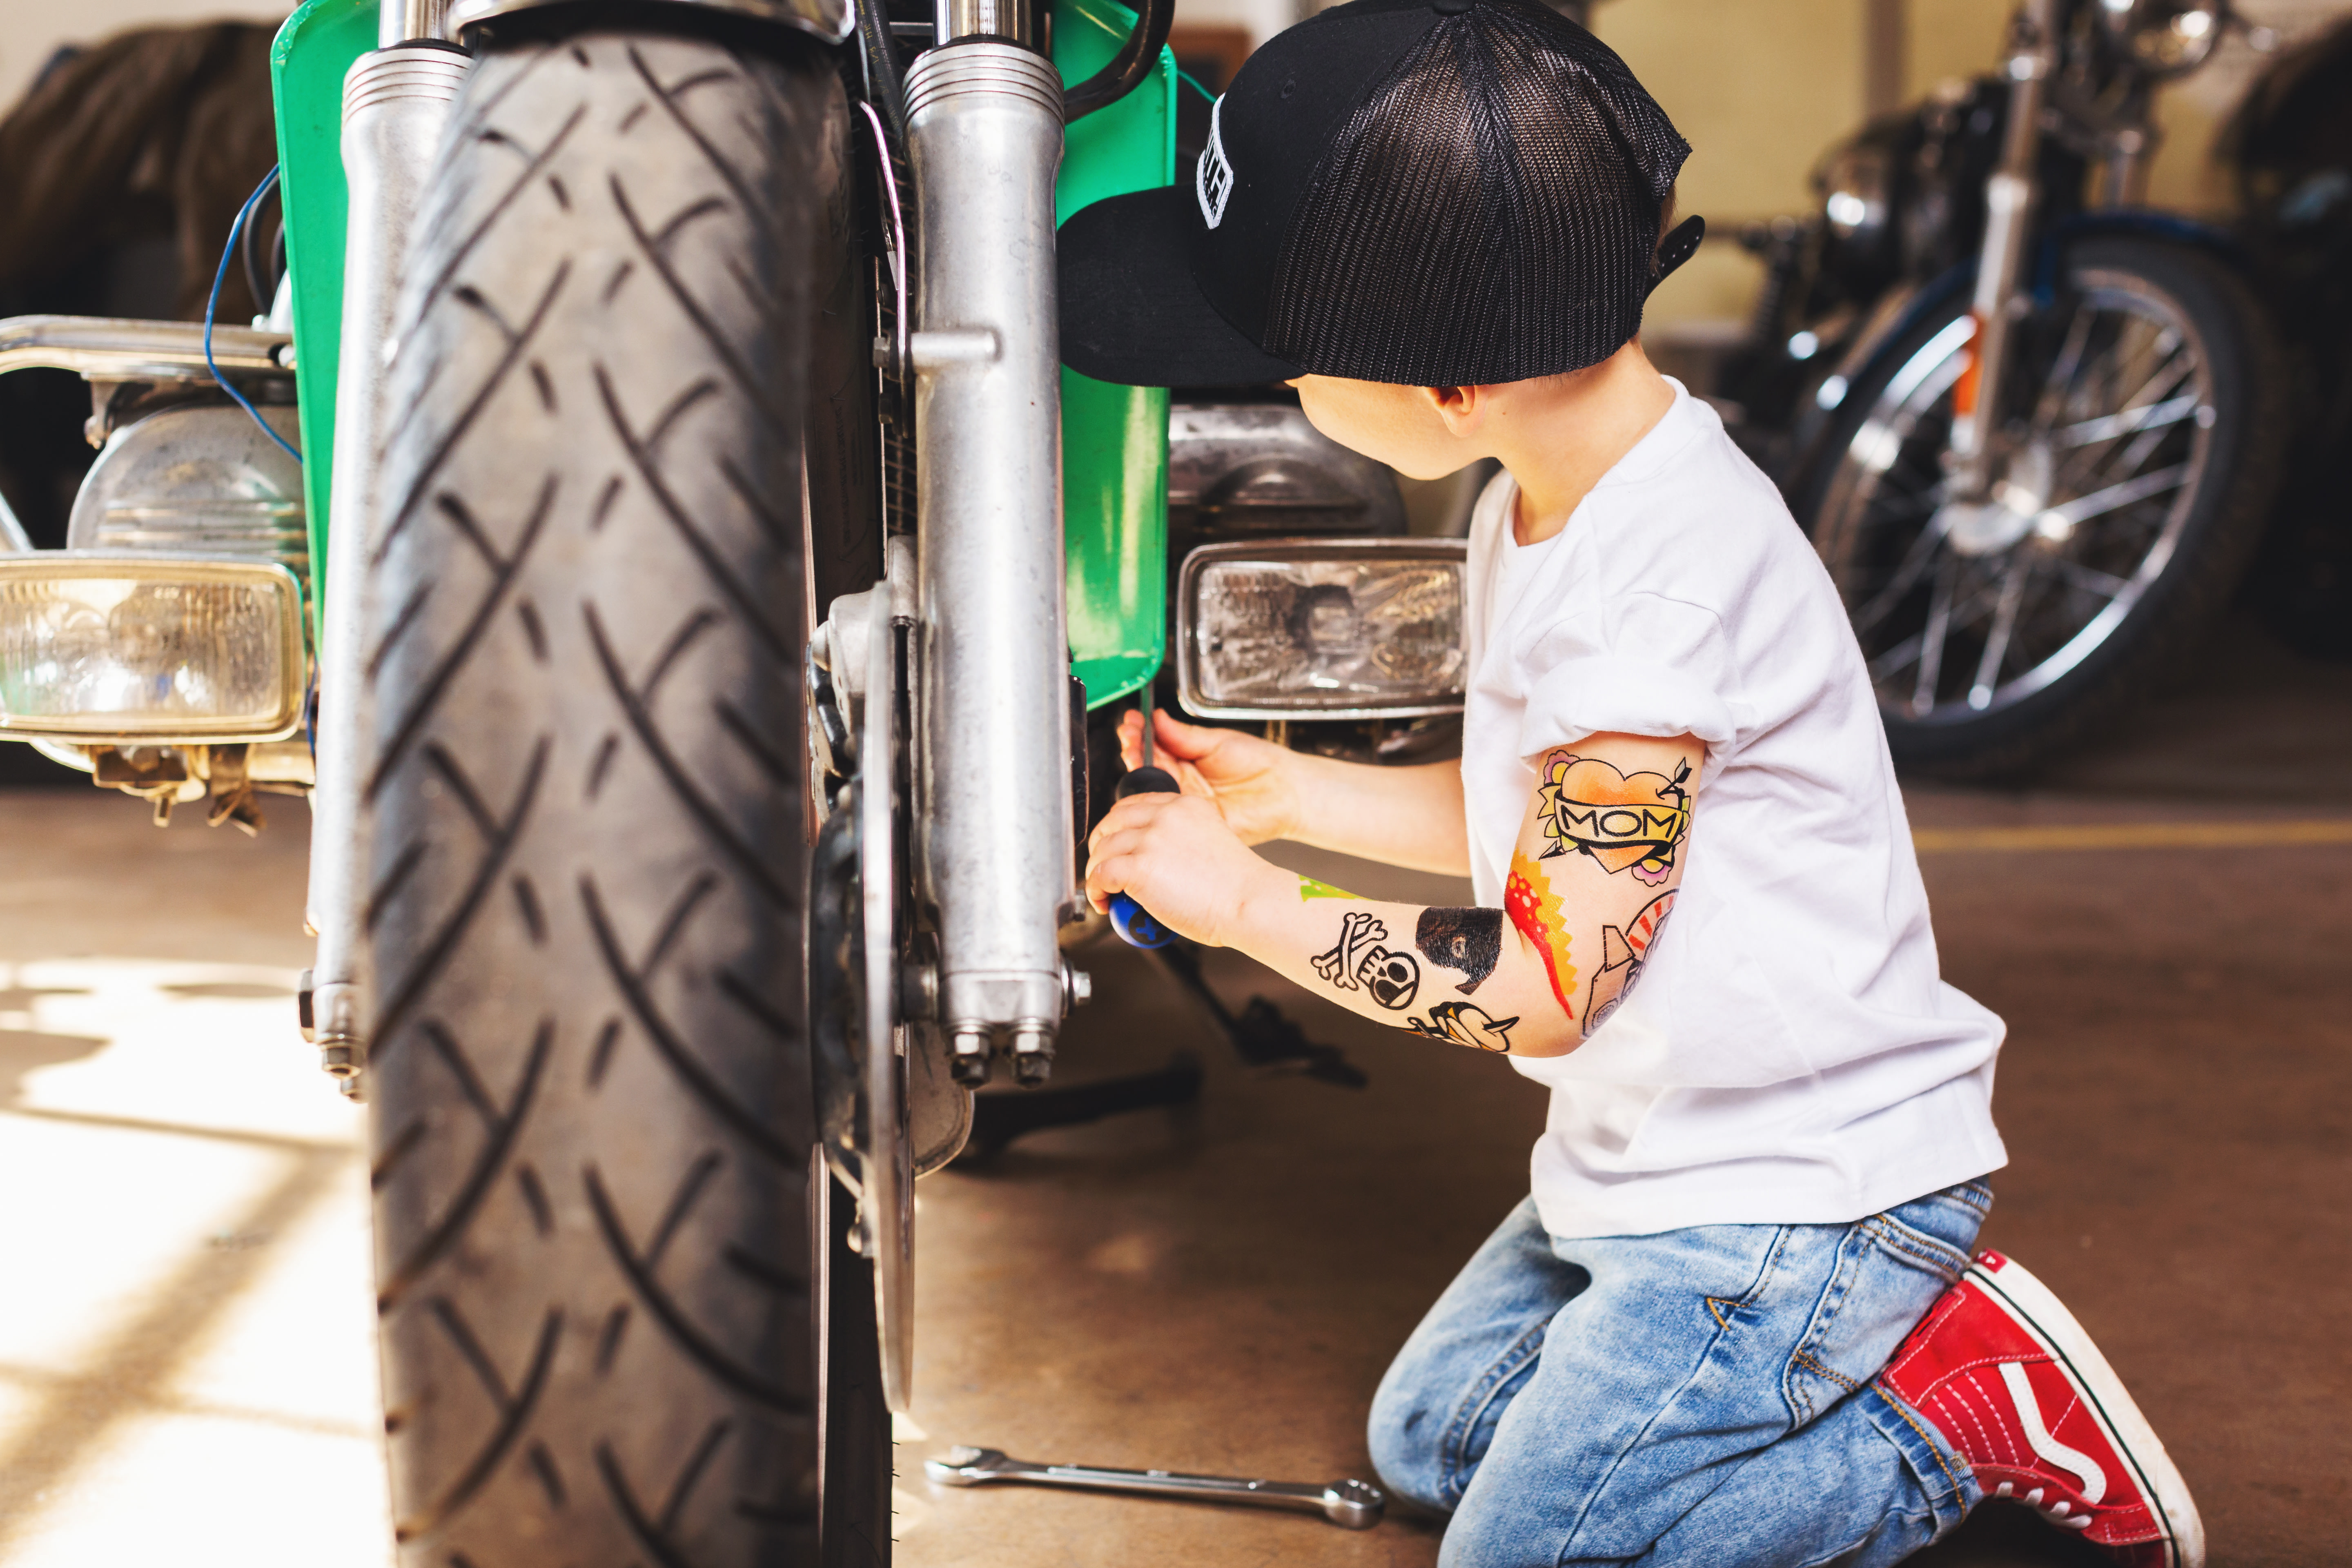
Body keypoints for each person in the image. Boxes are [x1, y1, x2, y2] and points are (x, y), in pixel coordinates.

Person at [1055, 1, 2204, 1564]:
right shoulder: (1544, 487)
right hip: (1652, 1151)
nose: (1258, 392)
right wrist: (1290, 793)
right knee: (1428, 1444)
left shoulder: (1660, 594)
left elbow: (1547, 979)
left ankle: (1950, 1428)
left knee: (1523, 1558)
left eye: (1280, 365)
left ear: (1445, 388)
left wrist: (1253, 905)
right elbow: (1549, 836)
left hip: (1794, 1197)